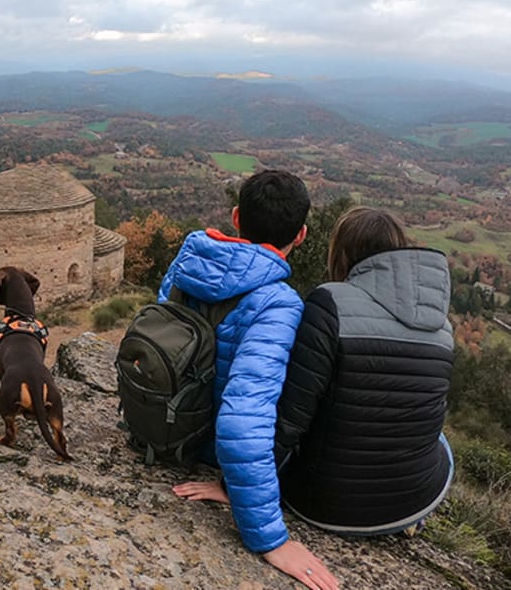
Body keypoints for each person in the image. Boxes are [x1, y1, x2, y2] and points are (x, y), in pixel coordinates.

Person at [162, 170, 339, 590]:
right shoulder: (278, 303)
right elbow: (243, 420)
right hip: (204, 447)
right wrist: (268, 538)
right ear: (301, 235)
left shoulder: (191, 261)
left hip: (158, 422)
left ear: (236, 217)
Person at [272, 206, 454, 536]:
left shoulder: (329, 302)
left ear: (342, 252)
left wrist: (236, 486)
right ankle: (408, 519)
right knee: (441, 439)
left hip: (324, 502)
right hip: (413, 501)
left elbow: (291, 417)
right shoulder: (443, 326)